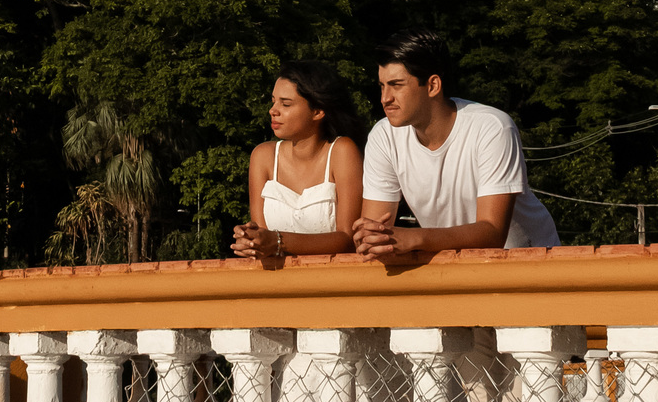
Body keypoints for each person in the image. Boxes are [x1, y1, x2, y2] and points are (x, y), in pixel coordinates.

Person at [353, 28, 559, 260]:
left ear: (433, 86)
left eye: (396, 85)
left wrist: (416, 238)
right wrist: (370, 239)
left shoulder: (492, 127)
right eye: (382, 86)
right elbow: (374, 231)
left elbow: (492, 233)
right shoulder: (383, 136)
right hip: (456, 267)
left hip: (533, 265)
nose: (385, 98)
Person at [232, 60, 365, 259]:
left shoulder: (342, 151)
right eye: (273, 101)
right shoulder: (262, 156)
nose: (273, 110)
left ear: (318, 111)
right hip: (276, 275)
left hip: (332, 275)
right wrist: (249, 239)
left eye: (285, 104)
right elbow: (262, 236)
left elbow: (348, 238)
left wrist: (278, 241)